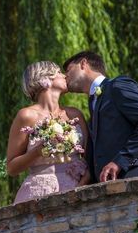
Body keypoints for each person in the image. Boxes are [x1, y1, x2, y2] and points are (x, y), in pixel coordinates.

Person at [63, 51, 138, 183]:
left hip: (137, 176)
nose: (65, 76)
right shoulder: (93, 102)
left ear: (83, 64)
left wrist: (120, 161)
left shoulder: (117, 86)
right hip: (112, 185)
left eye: (68, 70)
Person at [7, 61, 91, 204]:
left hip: (78, 189)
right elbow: (12, 168)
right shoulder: (26, 116)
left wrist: (83, 184)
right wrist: (39, 151)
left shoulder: (74, 114)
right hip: (39, 194)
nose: (65, 76)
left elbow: (89, 157)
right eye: (59, 72)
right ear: (44, 79)